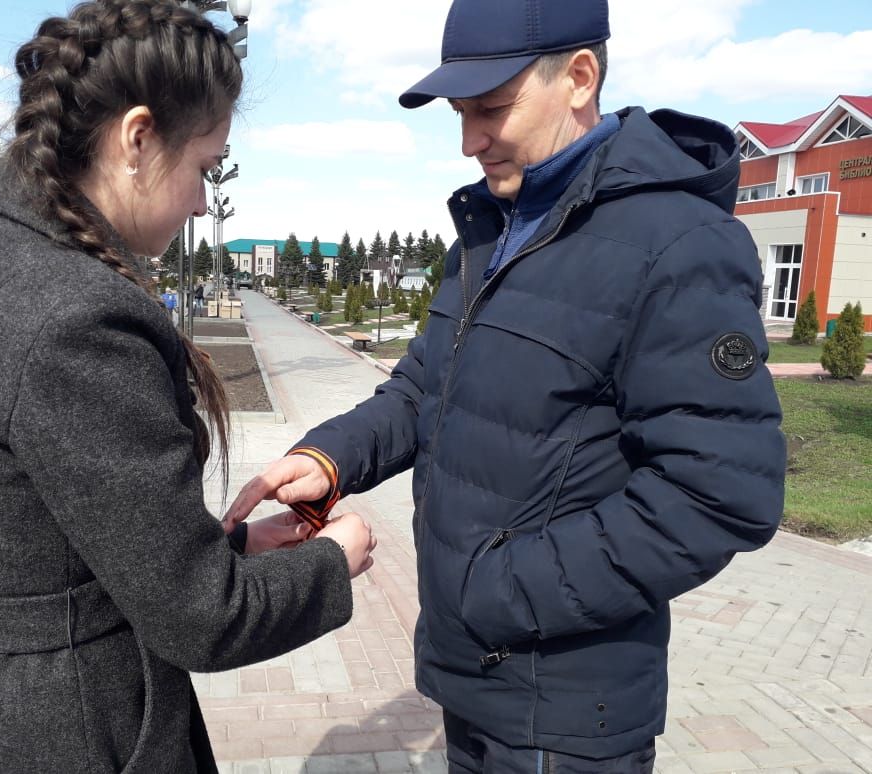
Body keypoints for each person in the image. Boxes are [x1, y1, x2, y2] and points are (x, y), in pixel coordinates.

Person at [224, 0, 786, 771]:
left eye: (491, 109)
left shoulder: (679, 246)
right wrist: (330, 458)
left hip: (563, 714)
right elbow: (422, 388)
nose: (469, 141)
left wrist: (502, 590)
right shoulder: (489, 231)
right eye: (460, 114)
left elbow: (720, 493)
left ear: (579, 78)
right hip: (471, 677)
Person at [0, 2, 375, 772]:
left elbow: (55, 542)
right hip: (65, 734)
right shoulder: (77, 319)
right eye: (205, 167)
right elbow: (202, 620)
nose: (204, 200)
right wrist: (332, 562)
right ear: (138, 139)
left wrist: (235, 545)